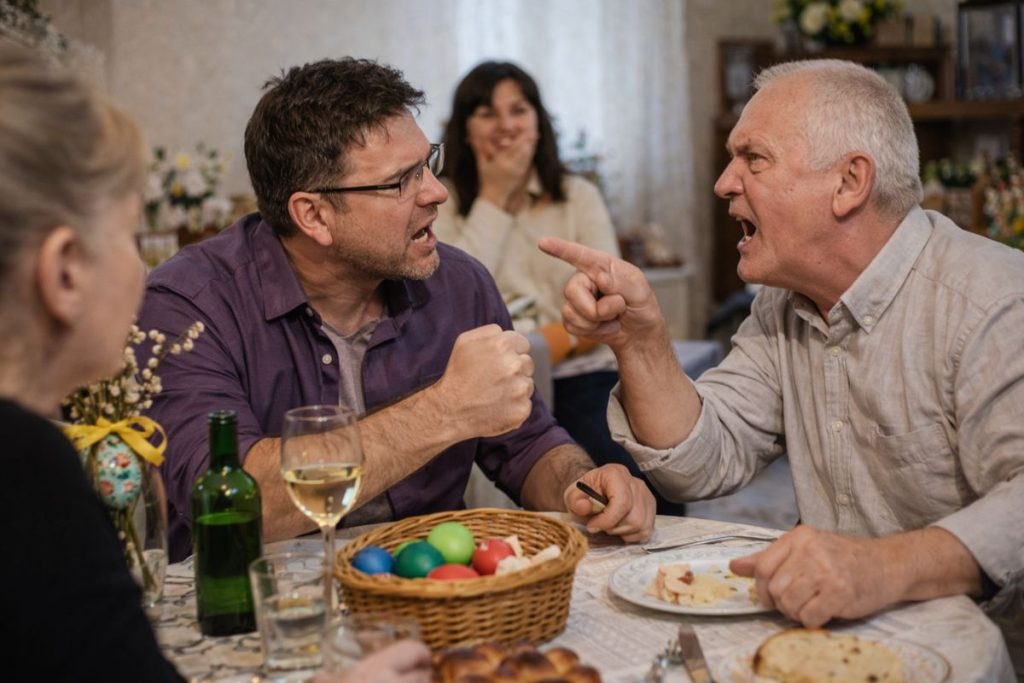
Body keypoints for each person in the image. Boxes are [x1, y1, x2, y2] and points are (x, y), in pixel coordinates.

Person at [540, 59, 1023, 670]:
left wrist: (879, 565)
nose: (723, 183)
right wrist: (640, 341)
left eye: (754, 158)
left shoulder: (993, 301)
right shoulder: (783, 305)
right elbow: (700, 463)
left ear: (849, 182)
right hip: (829, 646)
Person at [138, 57, 655, 563]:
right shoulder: (188, 308)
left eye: (429, 163)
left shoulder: (458, 283)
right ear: (314, 215)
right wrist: (444, 410)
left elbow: (526, 445)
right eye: (400, 181)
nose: (437, 192)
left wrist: (578, 485)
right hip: (260, 601)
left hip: (430, 594)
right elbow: (232, 501)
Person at [434, 61, 684, 516]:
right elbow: (448, 298)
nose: (506, 126)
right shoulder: (441, 202)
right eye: (487, 113)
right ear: (465, 129)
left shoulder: (576, 196)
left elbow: (609, 300)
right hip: (484, 379)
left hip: (578, 371)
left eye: (518, 110)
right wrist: (494, 198)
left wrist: (545, 345)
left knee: (644, 483)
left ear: (538, 122)